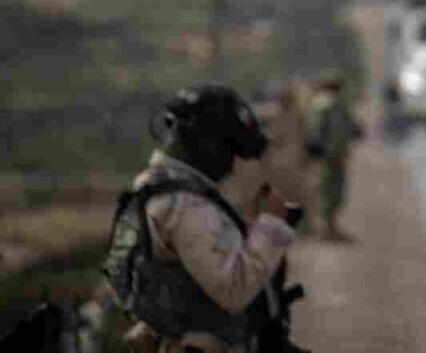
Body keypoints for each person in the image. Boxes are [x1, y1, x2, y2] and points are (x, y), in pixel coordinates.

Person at [104, 84, 306, 353]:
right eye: (230, 150)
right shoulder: (186, 205)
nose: (231, 164)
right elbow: (234, 289)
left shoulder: (152, 186)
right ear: (206, 143)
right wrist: (272, 224)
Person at [307, 78, 363, 241]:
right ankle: (328, 229)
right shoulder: (325, 105)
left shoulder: (336, 106)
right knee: (329, 191)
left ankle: (331, 228)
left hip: (336, 155)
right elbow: (317, 132)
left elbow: (348, 127)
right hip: (329, 156)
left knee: (335, 191)